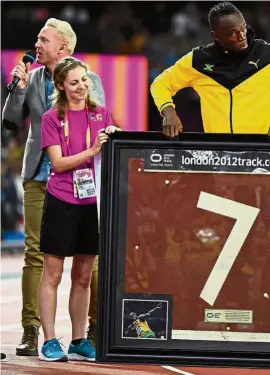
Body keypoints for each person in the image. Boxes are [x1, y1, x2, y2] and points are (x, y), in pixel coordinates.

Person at [1, 18, 105, 355]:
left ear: (63, 47)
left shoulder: (89, 80)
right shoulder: (30, 79)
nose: (37, 44)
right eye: (38, 38)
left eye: (44, 39)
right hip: (40, 177)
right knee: (35, 256)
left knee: (91, 260)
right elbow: (11, 121)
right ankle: (32, 331)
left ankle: (93, 327)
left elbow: (100, 118)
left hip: (82, 180)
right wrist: (15, 91)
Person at [150, 1, 270, 139]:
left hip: (265, 158)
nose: (242, 36)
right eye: (233, 33)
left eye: (243, 28)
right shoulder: (199, 60)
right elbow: (160, 84)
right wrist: (168, 110)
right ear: (216, 36)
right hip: (219, 160)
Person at [38, 57, 118, 362]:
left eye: (84, 80)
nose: (82, 86)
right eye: (74, 82)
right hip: (61, 200)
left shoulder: (101, 115)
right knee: (53, 274)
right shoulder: (50, 118)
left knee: (84, 276)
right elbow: (58, 163)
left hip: (92, 202)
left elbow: (113, 152)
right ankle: (48, 341)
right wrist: (93, 150)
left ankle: (78, 339)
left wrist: (115, 140)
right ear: (61, 86)